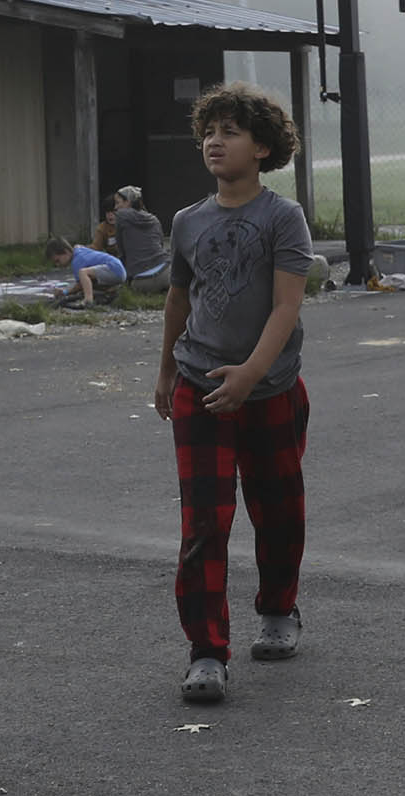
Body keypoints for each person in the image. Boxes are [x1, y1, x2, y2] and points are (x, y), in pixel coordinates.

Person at [153, 82, 313, 706]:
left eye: (231, 132)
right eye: (209, 132)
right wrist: (166, 370)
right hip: (199, 387)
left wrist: (250, 374)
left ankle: (279, 609)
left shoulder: (283, 217)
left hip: (268, 389)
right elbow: (177, 300)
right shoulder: (188, 221)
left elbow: (286, 306)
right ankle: (206, 652)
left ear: (263, 147)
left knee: (277, 509)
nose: (215, 142)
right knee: (204, 522)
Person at [109, 186, 172, 294]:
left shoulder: (121, 216)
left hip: (141, 281)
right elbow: (160, 244)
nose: (115, 207)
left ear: (128, 202)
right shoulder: (154, 219)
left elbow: (121, 251)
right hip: (166, 272)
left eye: (118, 203)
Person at [44, 234, 126, 307]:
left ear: (66, 252)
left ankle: (88, 300)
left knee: (83, 273)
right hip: (118, 268)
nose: (58, 265)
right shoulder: (78, 250)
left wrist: (65, 292)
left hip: (113, 269)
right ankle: (110, 290)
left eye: (57, 261)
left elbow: (80, 285)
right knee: (88, 279)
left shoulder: (77, 261)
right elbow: (78, 246)